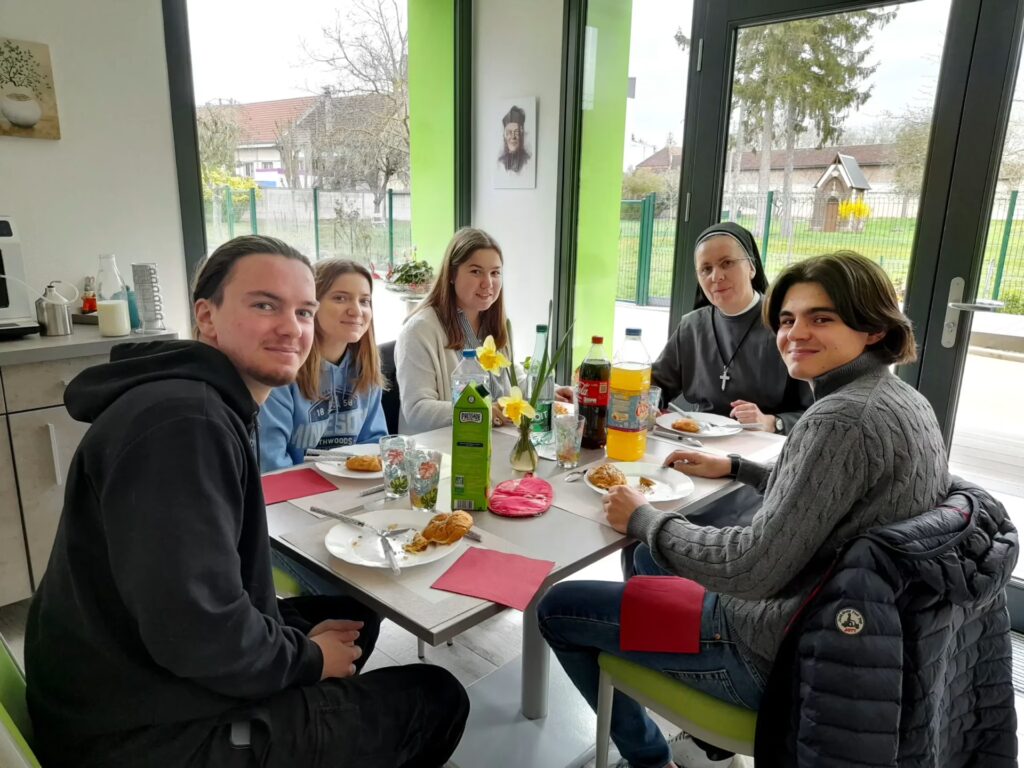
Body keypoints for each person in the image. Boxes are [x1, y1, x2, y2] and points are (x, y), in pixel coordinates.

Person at [25, 235, 469, 768]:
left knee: (350, 615)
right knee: (436, 697)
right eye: (264, 305)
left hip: (139, 680)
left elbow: (199, 602)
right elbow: (196, 632)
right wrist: (307, 659)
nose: (291, 327)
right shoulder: (183, 425)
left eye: (303, 311)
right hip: (145, 733)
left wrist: (297, 648)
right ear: (206, 316)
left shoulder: (201, 403)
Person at [537, 251, 950, 768]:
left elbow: (751, 568)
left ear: (873, 328)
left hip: (778, 653)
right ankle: (700, 734)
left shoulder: (841, 419)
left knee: (558, 606)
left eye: (822, 318)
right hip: (849, 633)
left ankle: (649, 759)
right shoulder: (898, 398)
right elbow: (829, 498)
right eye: (787, 319)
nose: (795, 334)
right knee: (646, 558)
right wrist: (737, 467)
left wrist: (643, 517)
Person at [651, 221, 810, 434]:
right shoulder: (692, 326)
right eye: (706, 269)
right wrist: (648, 405)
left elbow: (818, 411)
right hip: (699, 441)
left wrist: (773, 422)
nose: (716, 276)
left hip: (764, 444)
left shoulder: (785, 325)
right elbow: (656, 386)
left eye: (727, 263)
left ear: (751, 267)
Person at [259, 258, 388, 472]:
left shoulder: (366, 368)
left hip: (353, 486)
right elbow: (271, 463)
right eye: (340, 298)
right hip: (292, 489)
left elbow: (375, 446)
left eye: (364, 301)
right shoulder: (282, 370)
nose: (356, 310)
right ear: (310, 306)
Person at [395, 226, 522, 432]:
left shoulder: (497, 324)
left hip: (497, 440)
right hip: (443, 447)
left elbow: (514, 378)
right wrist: (479, 411)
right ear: (452, 274)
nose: (487, 283)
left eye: (495, 273)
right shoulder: (419, 330)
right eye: (476, 271)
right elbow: (417, 410)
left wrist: (550, 390)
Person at [498, 105, 531, 173]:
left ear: (522, 135)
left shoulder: (528, 162)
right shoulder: (500, 163)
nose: (513, 137)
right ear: (504, 136)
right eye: (509, 132)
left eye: (516, 132)